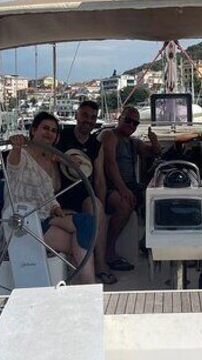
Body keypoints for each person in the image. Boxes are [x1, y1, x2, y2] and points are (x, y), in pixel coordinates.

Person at [6, 112, 95, 284]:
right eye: (45, 128)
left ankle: (84, 287)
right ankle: (89, 285)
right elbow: (13, 166)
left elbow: (49, 196)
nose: (49, 133)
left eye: (53, 131)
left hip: (46, 217)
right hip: (23, 222)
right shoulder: (20, 155)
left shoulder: (50, 161)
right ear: (33, 130)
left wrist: (55, 208)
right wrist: (16, 146)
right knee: (80, 242)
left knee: (86, 225)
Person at [55, 100, 115, 285]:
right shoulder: (61, 137)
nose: (88, 121)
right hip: (59, 195)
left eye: (92, 117)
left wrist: (102, 205)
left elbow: (99, 179)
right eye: (84, 115)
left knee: (97, 209)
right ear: (76, 116)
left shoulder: (96, 145)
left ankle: (101, 264)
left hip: (84, 195)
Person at [99, 106, 161, 271]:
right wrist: (123, 190)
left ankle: (146, 241)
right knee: (125, 204)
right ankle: (109, 252)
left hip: (130, 186)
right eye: (128, 120)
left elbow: (154, 153)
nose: (131, 125)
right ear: (119, 119)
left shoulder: (134, 142)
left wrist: (154, 141)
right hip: (109, 188)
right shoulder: (109, 135)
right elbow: (110, 164)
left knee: (158, 199)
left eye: (135, 123)